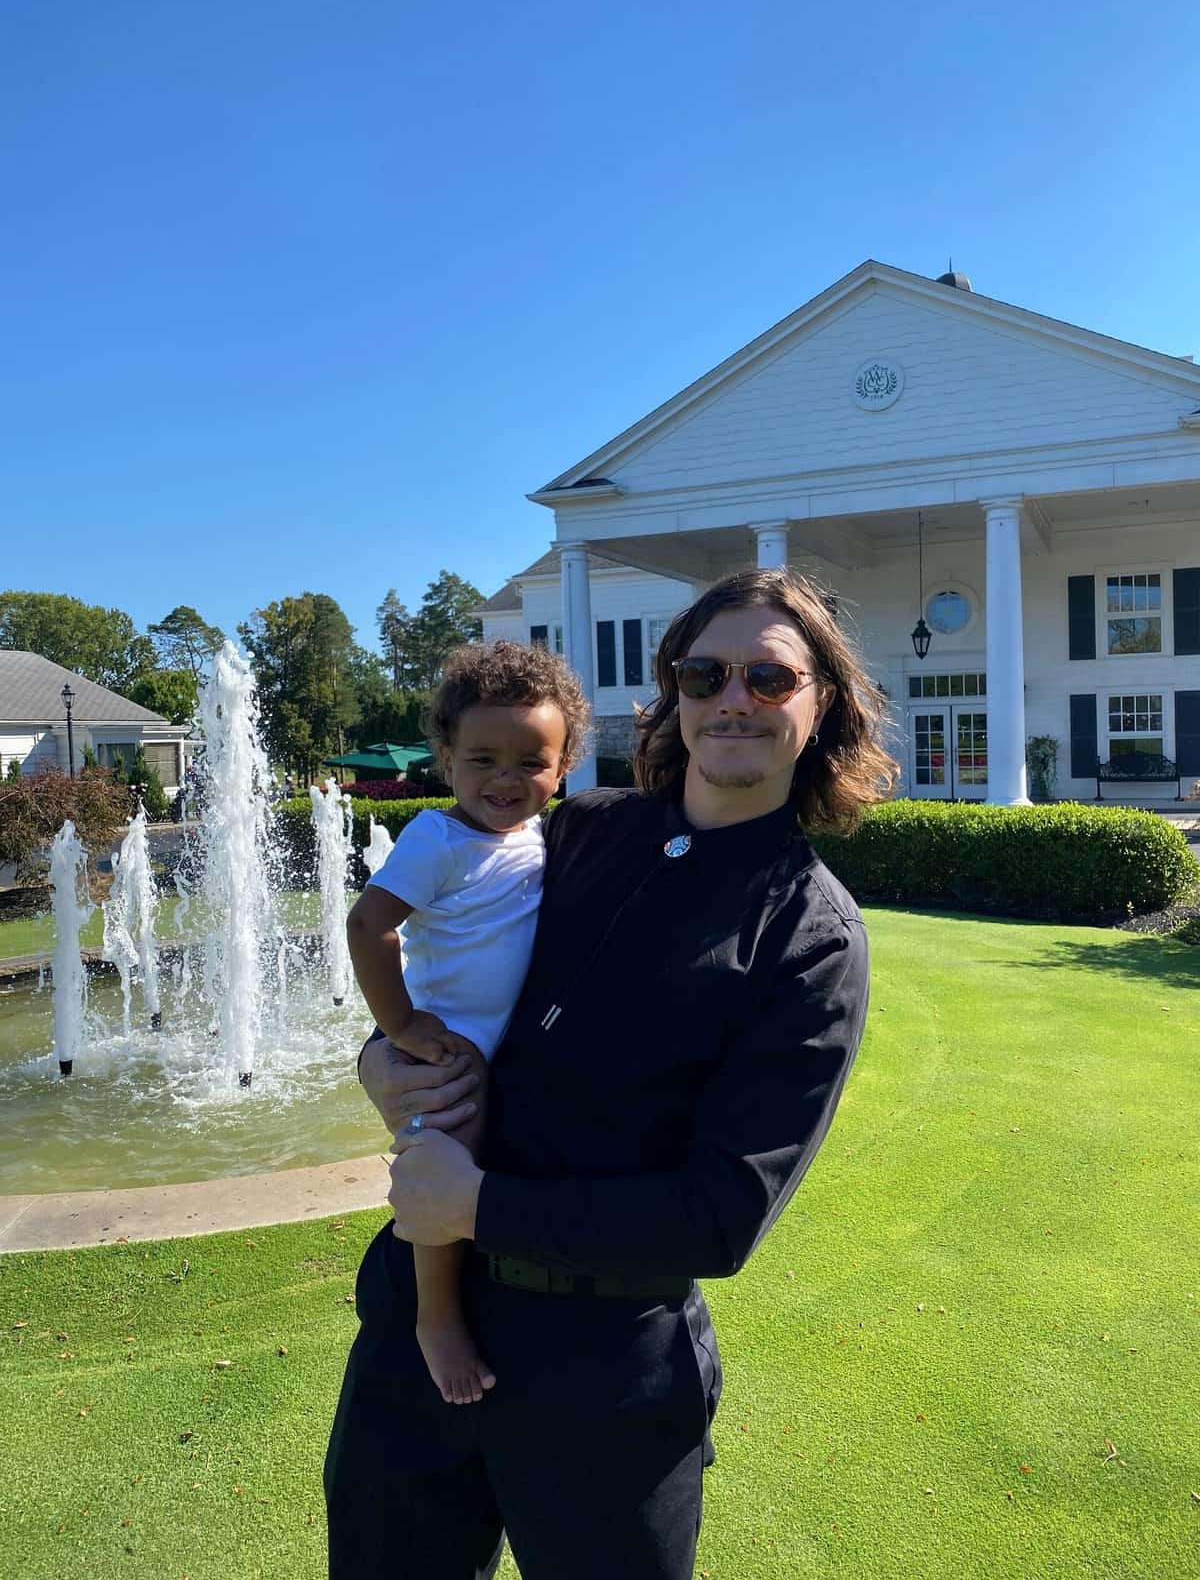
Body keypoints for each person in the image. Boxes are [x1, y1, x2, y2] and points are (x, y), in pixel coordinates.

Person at [324, 567, 898, 1579]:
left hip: (605, 1374)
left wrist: (478, 1203)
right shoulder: (576, 828)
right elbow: (452, 966)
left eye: (770, 678)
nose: (733, 699)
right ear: (675, 691)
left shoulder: (810, 936)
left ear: (824, 708)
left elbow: (719, 1217)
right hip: (417, 1340)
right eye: (705, 673)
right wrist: (384, 1059)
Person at [345, 638, 589, 1405]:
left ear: (563, 766)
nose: (505, 779)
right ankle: (436, 1316)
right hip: (448, 1050)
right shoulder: (438, 839)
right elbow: (369, 925)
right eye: (482, 759)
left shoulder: (543, 835)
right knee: (441, 1166)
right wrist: (401, 1028)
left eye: (530, 762)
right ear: (445, 758)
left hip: (506, 1048)